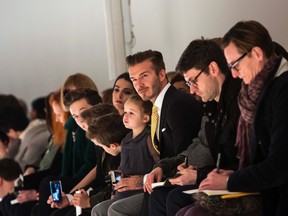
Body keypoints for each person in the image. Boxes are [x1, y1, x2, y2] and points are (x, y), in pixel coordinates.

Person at [196, 20, 288, 216]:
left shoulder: (283, 89)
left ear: (256, 53)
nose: (234, 75)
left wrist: (230, 181)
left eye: (235, 65)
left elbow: (280, 165)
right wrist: (235, 175)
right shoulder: (257, 92)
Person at [145, 38, 241, 216]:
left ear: (212, 69)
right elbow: (200, 146)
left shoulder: (239, 102)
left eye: (193, 81)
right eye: (188, 84)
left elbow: (239, 164)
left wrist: (198, 175)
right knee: (159, 195)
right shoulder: (212, 105)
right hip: (219, 179)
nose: (192, 90)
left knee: (180, 203)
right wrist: (165, 167)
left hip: (238, 184)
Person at [37, 88, 102, 216]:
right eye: (75, 117)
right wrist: (71, 194)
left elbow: (96, 169)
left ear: (98, 107)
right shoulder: (84, 134)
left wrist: (72, 194)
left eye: (84, 112)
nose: (81, 120)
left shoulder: (105, 134)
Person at [91, 94, 160, 216]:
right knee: (98, 210)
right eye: (125, 112)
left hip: (141, 191)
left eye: (131, 113)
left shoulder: (148, 138)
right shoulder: (126, 140)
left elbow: (158, 164)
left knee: (115, 210)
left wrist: (143, 178)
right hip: (124, 192)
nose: (125, 116)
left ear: (145, 118)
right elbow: (124, 167)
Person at [127, 49, 203, 159]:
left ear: (162, 74)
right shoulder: (160, 106)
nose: (139, 85)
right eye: (134, 79)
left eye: (144, 76)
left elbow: (183, 157)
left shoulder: (178, 104)